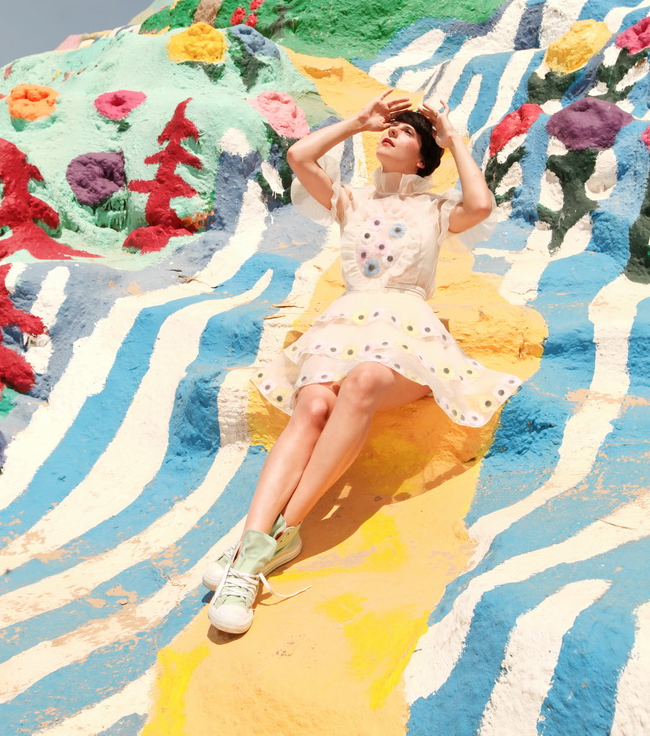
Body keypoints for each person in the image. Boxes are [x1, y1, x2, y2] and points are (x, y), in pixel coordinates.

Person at [204, 90, 523, 634]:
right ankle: (255, 547)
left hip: (407, 336)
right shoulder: (352, 200)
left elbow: (482, 206)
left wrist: (454, 140)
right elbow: (300, 157)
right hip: (343, 326)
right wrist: (357, 120)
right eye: (388, 128)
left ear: (423, 157)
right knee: (312, 404)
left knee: (366, 381)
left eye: (405, 132)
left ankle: (274, 537)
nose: (390, 133)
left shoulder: (436, 208)